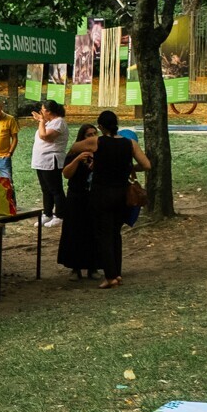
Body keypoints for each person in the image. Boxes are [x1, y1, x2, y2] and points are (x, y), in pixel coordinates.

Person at [69, 110, 149, 289]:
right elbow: (146, 165)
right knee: (115, 234)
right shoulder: (130, 143)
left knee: (103, 235)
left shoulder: (97, 141)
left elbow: (75, 148)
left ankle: (110, 277)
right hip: (122, 195)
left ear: (101, 127)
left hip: (102, 195)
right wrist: (128, 167)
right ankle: (117, 273)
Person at [57, 124, 102, 279]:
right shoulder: (74, 152)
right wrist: (77, 160)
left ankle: (93, 268)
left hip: (93, 197)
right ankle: (75, 268)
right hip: (76, 197)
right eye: (88, 134)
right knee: (74, 231)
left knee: (93, 232)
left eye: (94, 134)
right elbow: (66, 174)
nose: (91, 137)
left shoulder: (100, 153)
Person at [30, 99, 67, 226]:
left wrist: (41, 121)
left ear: (49, 111)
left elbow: (45, 136)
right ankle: (47, 213)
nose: (41, 112)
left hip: (51, 160)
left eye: (43, 110)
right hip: (41, 160)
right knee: (45, 189)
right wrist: (42, 121)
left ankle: (60, 215)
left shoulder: (59, 122)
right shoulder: (50, 122)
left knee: (55, 189)